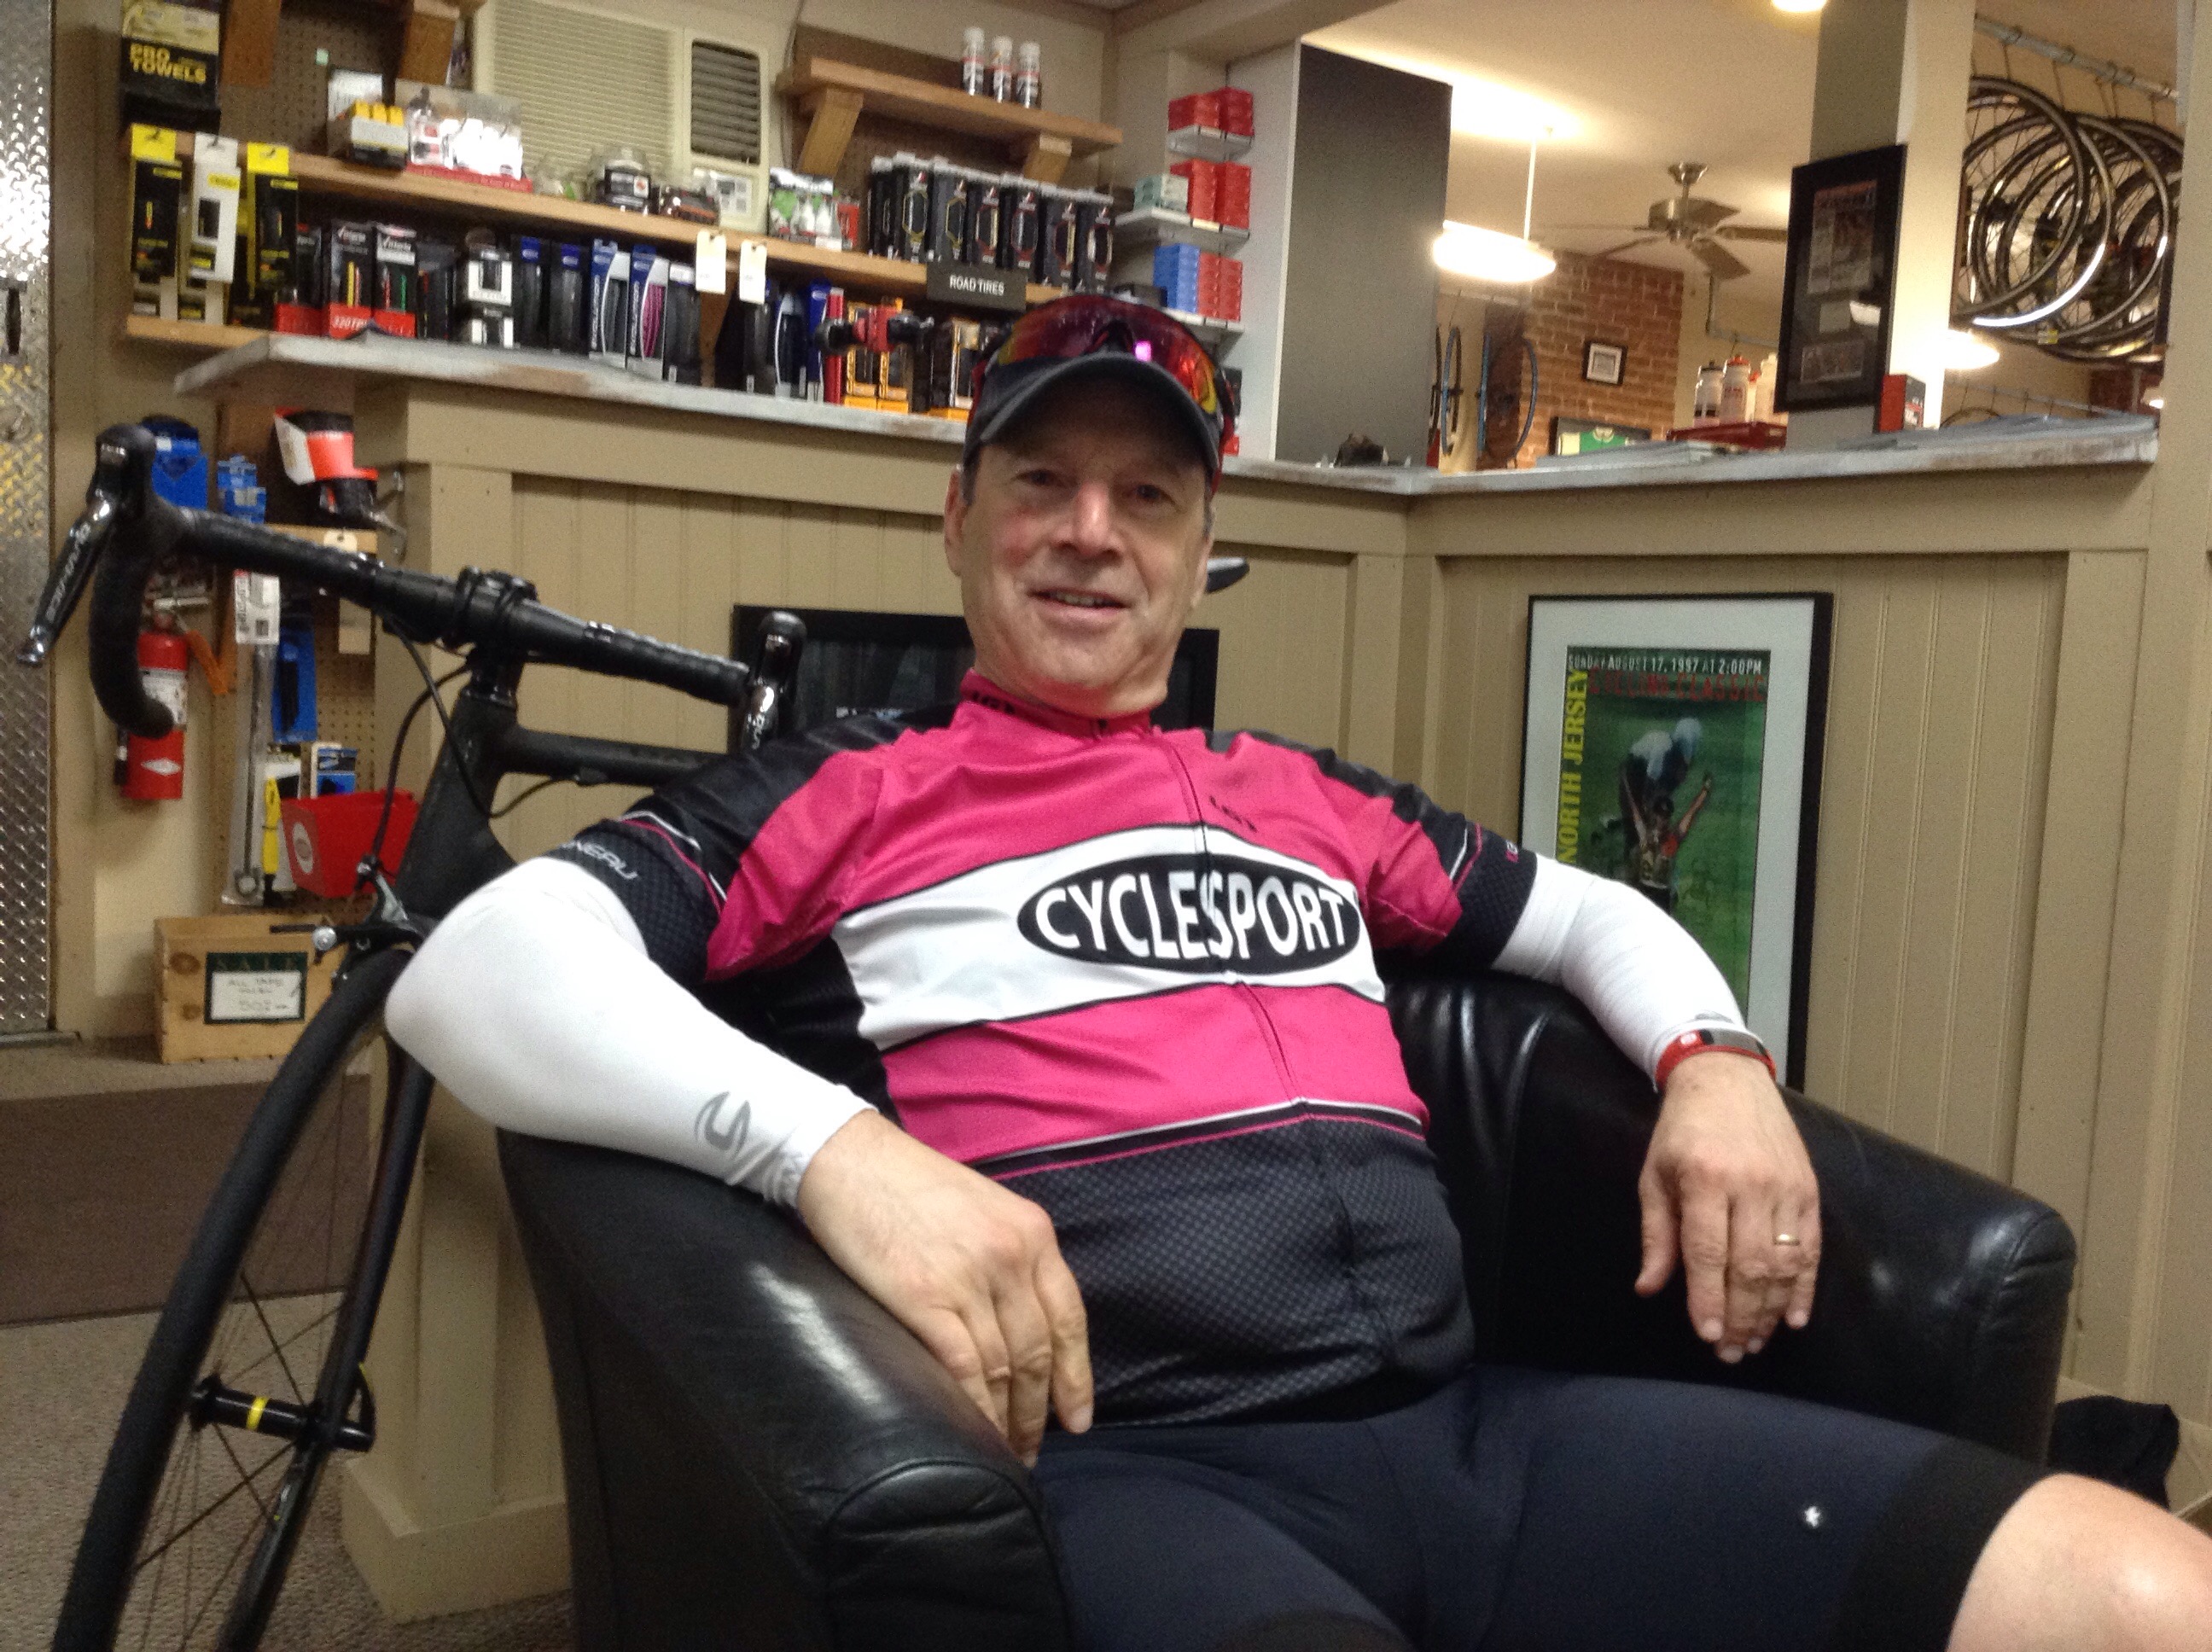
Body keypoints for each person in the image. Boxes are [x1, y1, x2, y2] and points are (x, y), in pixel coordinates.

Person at [387, 295, 2212, 1652]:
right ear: (958, 518)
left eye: (1147, 495)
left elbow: (1586, 912)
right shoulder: (856, 789)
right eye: (1040, 483)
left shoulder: (1304, 797)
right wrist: (839, 1157)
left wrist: (1717, 1059)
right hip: (1146, 1470)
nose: (1090, 531)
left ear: (1201, 549)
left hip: (1484, 1433)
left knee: (2147, 1591)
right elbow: (475, 969)